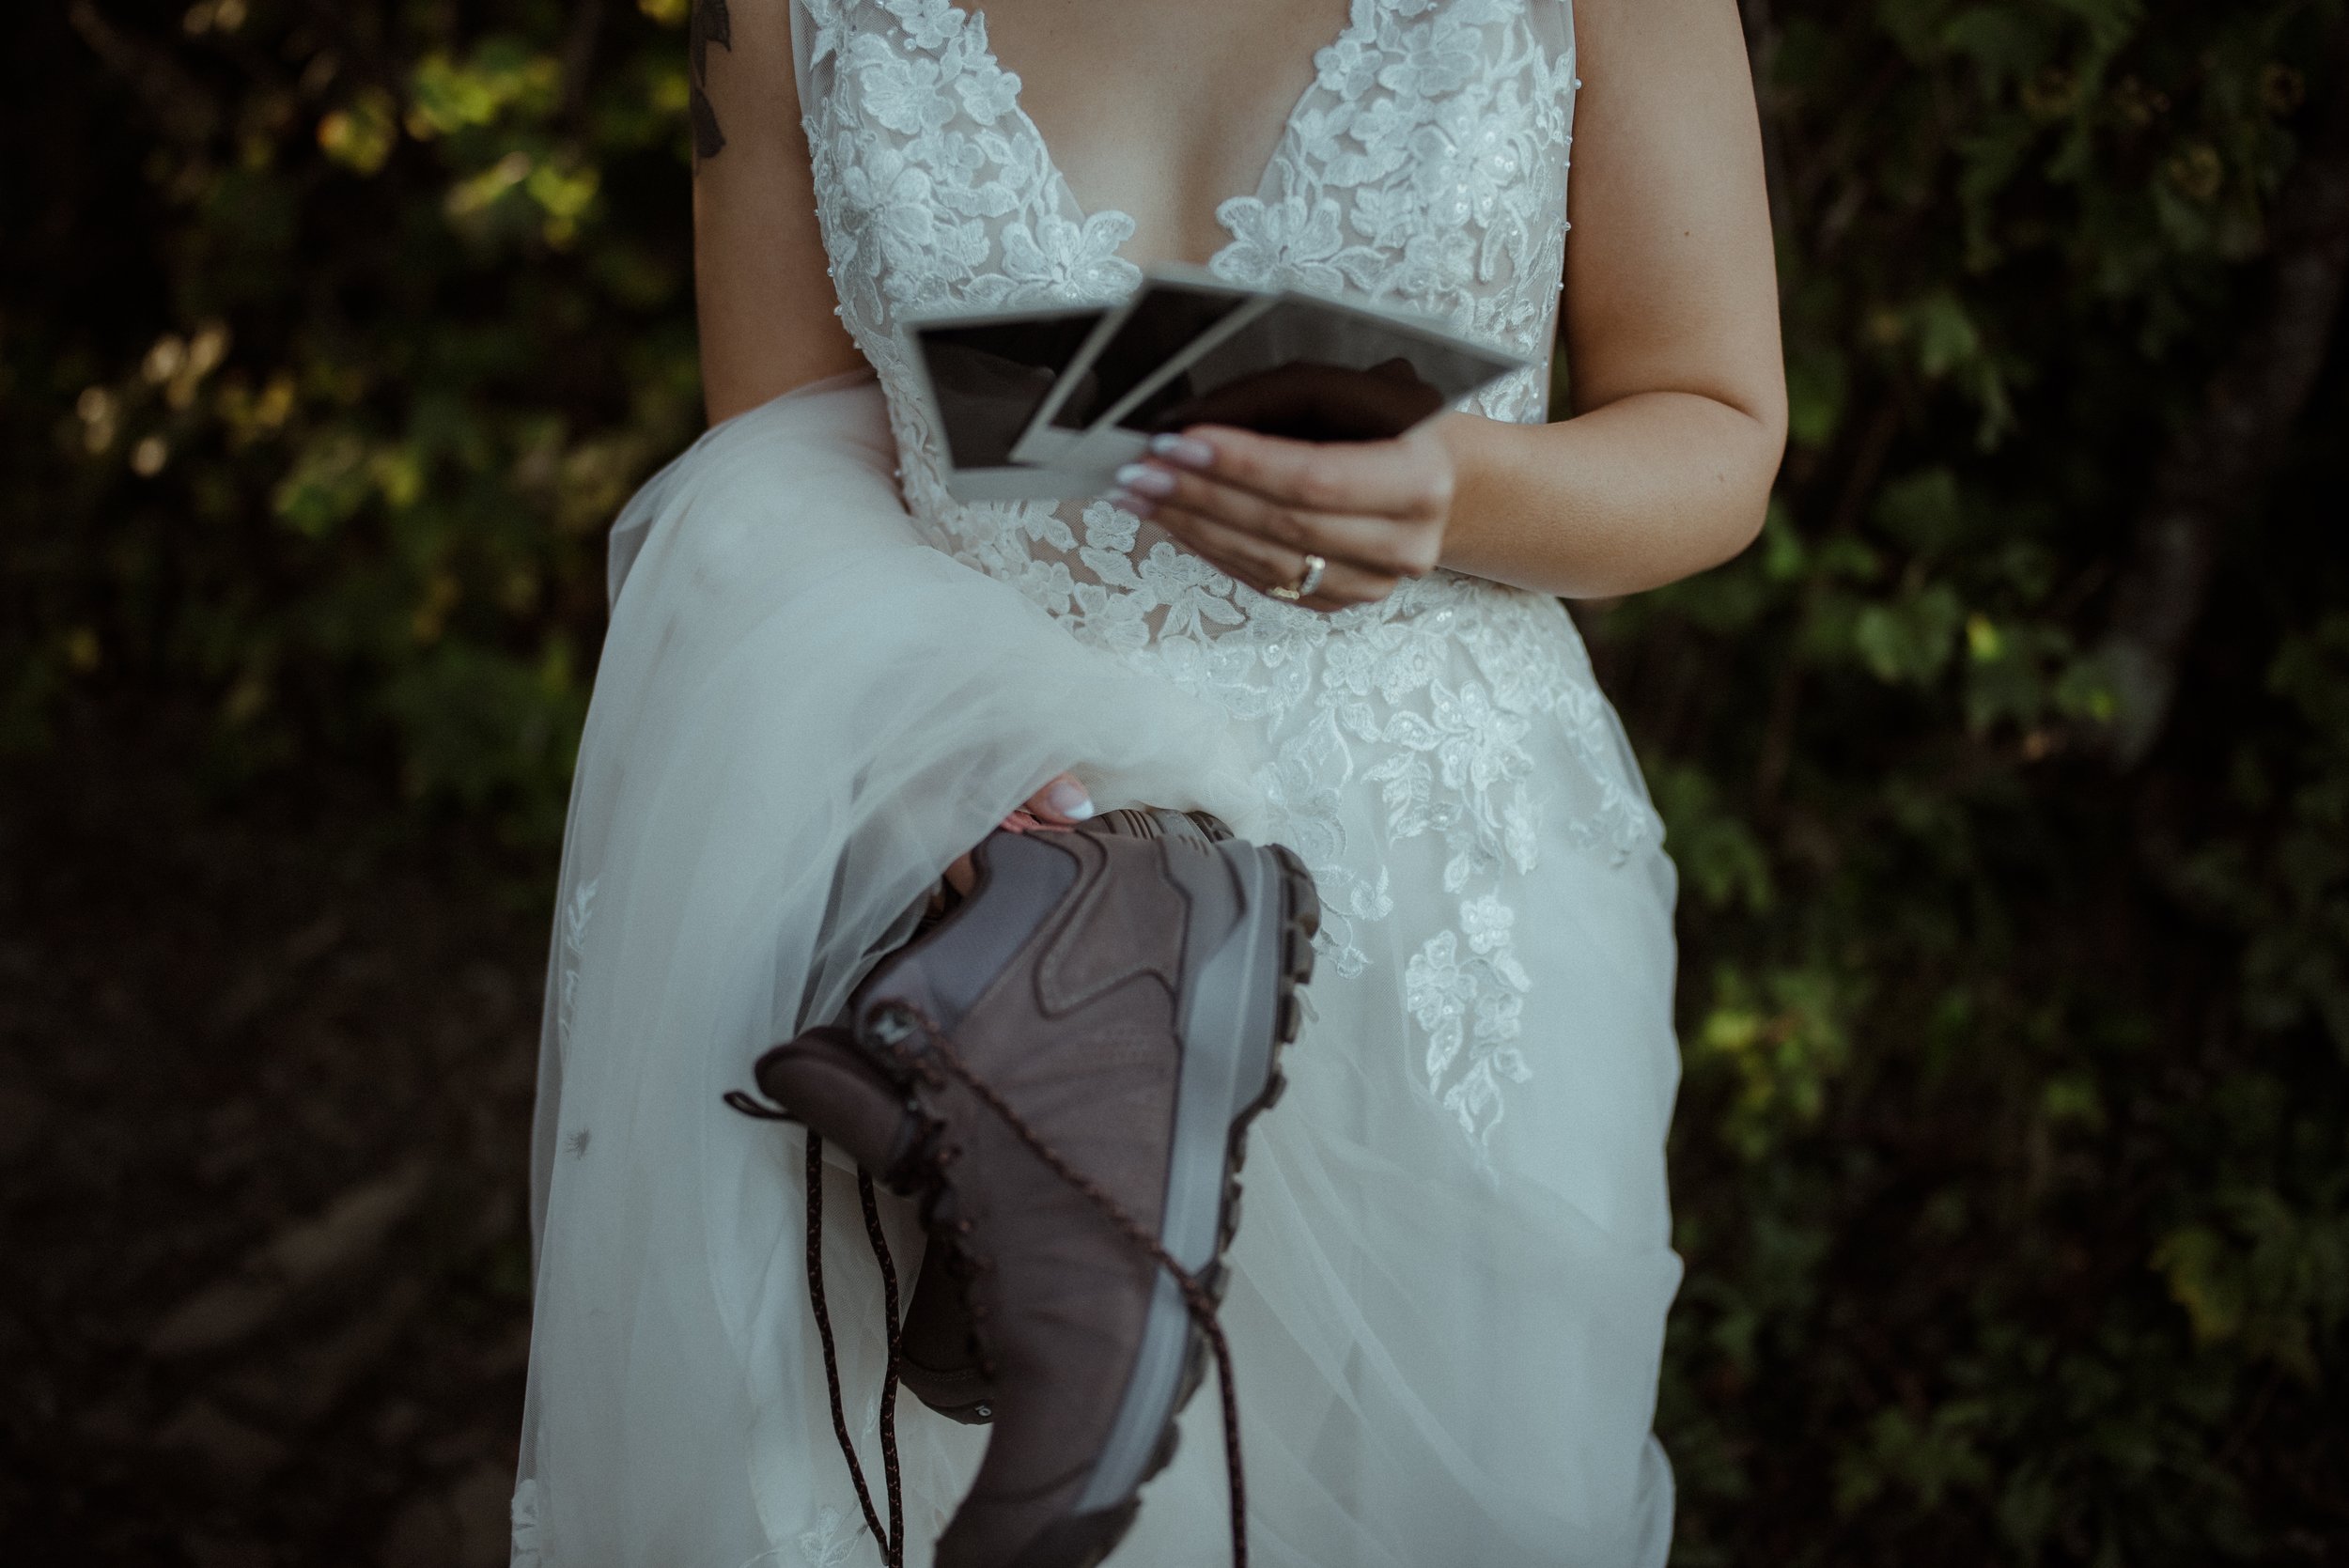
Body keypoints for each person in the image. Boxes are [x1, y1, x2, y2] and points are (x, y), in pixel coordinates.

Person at [509, 1, 1784, 1564]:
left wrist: (1455, 487)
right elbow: (778, 460)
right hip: (993, 898)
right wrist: (947, 768)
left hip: (1456, 918)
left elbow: (1719, 426)